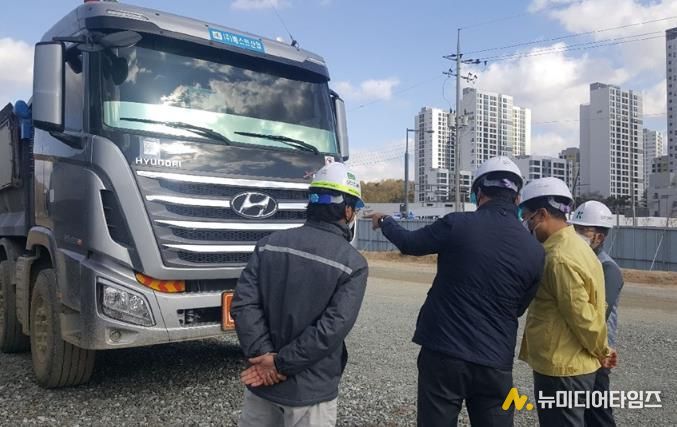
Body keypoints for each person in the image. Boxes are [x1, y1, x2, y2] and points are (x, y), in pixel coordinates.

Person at [366, 156, 545, 427]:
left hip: (444, 351)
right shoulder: (535, 250)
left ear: (478, 193)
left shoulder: (457, 224)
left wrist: (386, 221)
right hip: (495, 360)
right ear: (517, 198)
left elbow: (410, 243)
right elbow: (519, 306)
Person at [231, 162, 369, 427]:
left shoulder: (268, 245)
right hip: (310, 392)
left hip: (262, 382)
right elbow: (331, 329)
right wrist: (280, 365)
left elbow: (244, 304)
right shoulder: (353, 263)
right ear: (347, 210)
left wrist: (264, 356)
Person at [518, 178, 617, 427]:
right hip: (573, 364)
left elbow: (582, 316)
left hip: (563, 368)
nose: (526, 224)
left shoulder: (559, 258)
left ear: (542, 214)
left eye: (527, 217)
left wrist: (602, 351)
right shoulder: (578, 246)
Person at [570, 201, 624, 427]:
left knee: (598, 415)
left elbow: (599, 314)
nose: (576, 235)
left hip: (597, 356)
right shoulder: (579, 262)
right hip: (579, 353)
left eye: (583, 230)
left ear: (599, 237)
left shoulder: (607, 268)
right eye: (575, 229)